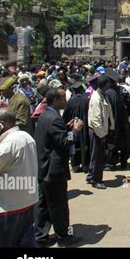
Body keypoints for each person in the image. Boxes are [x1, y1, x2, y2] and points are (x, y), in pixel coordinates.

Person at [34, 88, 84, 247]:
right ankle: (64, 236)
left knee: (43, 205)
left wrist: (66, 127)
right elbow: (65, 142)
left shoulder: (45, 115)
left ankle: (40, 236)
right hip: (53, 171)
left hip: (43, 168)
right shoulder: (54, 118)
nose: (65, 100)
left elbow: (54, 137)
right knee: (58, 205)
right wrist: (76, 131)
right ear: (55, 100)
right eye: (63, 98)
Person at [0, 109, 38, 247]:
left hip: (8, 207)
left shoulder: (7, 144)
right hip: (27, 202)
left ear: (1, 124)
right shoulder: (25, 136)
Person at [87, 75, 114, 189]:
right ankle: (96, 180)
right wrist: (102, 135)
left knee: (96, 156)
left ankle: (91, 175)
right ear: (104, 85)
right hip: (97, 132)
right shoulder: (96, 99)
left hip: (101, 131)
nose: (110, 86)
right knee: (98, 157)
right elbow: (95, 120)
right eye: (108, 84)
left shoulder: (103, 95)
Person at [62, 81, 90, 173]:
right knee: (85, 144)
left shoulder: (70, 102)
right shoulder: (86, 100)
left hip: (72, 128)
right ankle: (86, 165)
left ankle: (75, 165)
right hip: (85, 127)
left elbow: (65, 117)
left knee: (73, 145)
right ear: (82, 90)